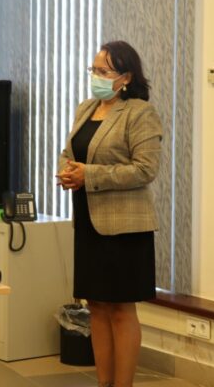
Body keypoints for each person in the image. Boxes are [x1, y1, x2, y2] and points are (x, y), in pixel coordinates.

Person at [57, 40, 162, 387]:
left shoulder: (140, 113)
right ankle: (104, 383)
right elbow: (70, 151)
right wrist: (67, 171)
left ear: (126, 77)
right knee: (97, 306)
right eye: (94, 69)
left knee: (120, 308)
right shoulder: (86, 108)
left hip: (124, 227)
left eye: (103, 71)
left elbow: (145, 170)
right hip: (88, 220)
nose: (96, 77)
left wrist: (89, 175)